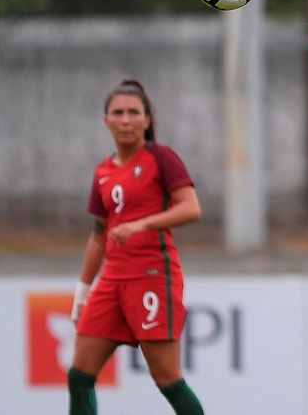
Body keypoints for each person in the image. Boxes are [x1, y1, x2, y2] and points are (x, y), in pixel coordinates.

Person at [67, 78, 204, 415]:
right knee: (79, 374)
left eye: (133, 112)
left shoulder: (161, 158)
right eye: (118, 113)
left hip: (152, 275)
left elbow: (191, 208)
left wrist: (141, 224)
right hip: (112, 280)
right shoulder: (103, 171)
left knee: (167, 378)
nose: (125, 119)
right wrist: (82, 291)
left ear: (147, 120)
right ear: (106, 121)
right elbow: (99, 235)